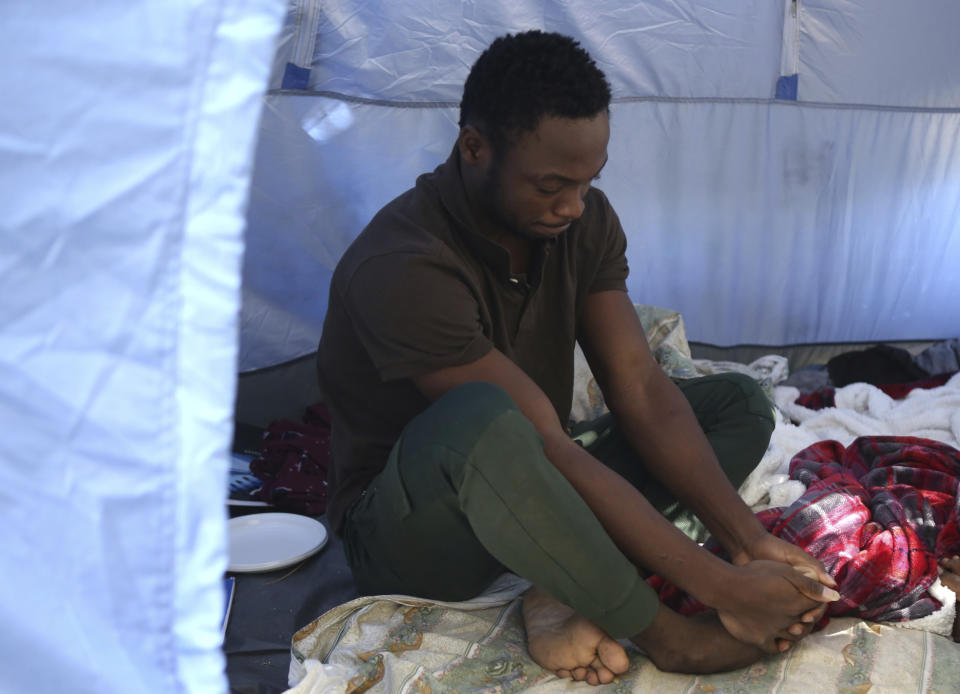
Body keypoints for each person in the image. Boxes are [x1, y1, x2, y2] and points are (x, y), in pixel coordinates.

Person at [317, 30, 840, 683]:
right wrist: (718, 589)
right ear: (473, 148)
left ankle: (559, 586)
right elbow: (537, 441)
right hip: (416, 532)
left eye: (588, 182)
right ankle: (668, 635)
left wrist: (745, 542)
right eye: (549, 186)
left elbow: (640, 389)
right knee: (484, 417)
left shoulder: (581, 221)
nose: (572, 205)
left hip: (535, 474)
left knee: (733, 401)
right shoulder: (402, 264)